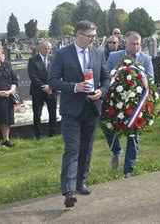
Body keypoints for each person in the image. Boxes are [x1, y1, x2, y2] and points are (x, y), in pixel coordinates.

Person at [48, 20, 110, 208]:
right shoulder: (62, 54)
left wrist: (102, 92)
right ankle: (68, 190)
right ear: (78, 35)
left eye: (94, 36)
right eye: (90, 36)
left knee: (87, 148)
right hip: (71, 111)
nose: (93, 40)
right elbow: (53, 80)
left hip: (92, 110)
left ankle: (81, 181)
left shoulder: (98, 54)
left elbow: (106, 78)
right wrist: (75, 87)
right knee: (72, 148)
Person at [105, 31, 154, 178]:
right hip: (115, 102)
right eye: (133, 44)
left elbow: (151, 79)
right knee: (108, 128)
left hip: (136, 104)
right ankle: (116, 151)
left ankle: (128, 169)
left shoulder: (146, 59)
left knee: (133, 136)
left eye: (138, 43)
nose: (136, 46)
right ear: (125, 43)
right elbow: (106, 75)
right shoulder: (114, 57)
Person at [27, 40, 57, 140]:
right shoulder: (32, 60)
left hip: (51, 90)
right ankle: (38, 135)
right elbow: (33, 76)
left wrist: (51, 86)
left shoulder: (54, 59)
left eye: (49, 48)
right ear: (40, 48)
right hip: (38, 91)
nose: (47, 50)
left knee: (52, 112)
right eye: (45, 48)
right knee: (37, 114)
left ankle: (52, 133)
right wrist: (44, 87)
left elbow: (57, 73)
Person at [0, 46, 18, 148]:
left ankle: (6, 140)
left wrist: (11, 90)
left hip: (7, 97)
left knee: (6, 120)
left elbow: (14, 80)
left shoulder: (6, 66)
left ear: (1, 55)